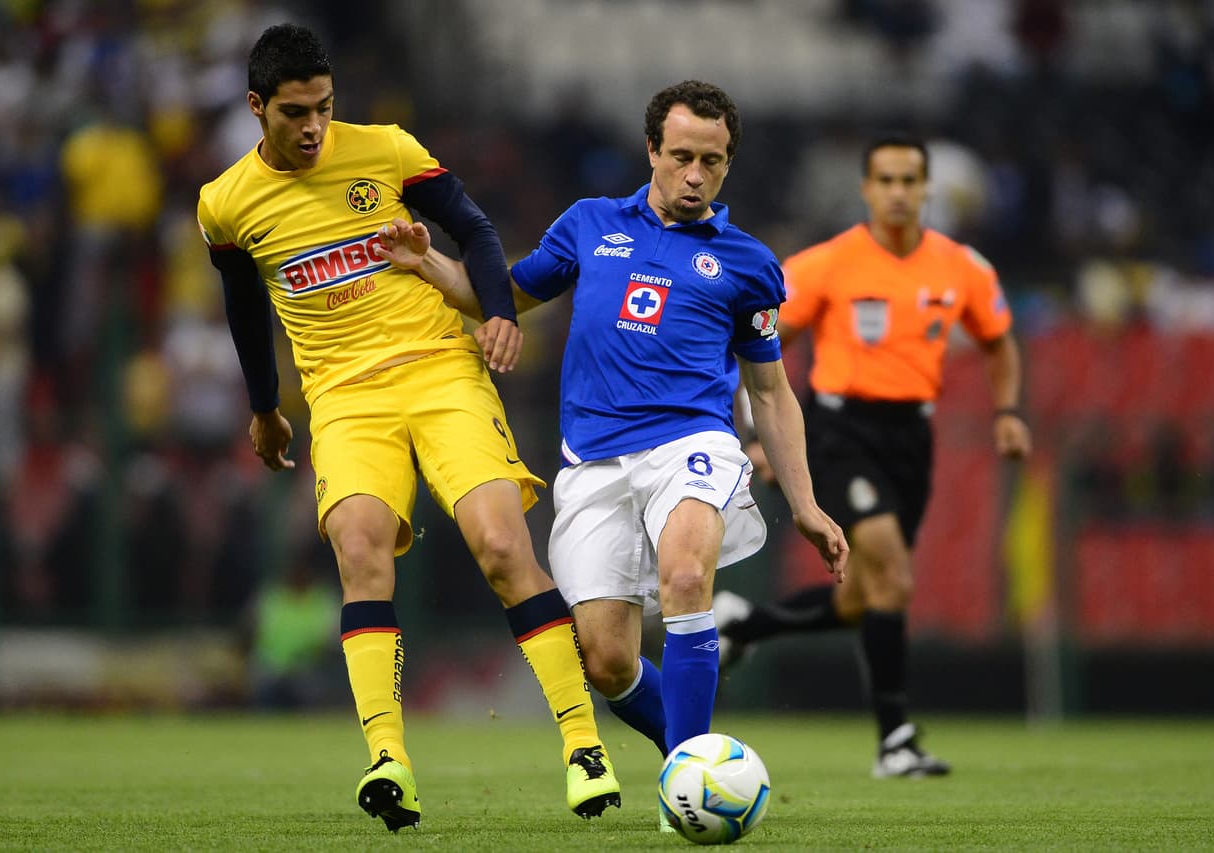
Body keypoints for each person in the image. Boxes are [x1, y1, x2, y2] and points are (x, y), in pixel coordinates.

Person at [196, 23, 620, 833]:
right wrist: (263, 406)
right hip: (344, 398)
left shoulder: (387, 149)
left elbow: (478, 229)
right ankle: (388, 758)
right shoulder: (225, 204)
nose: (315, 126)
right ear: (257, 108)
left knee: (501, 545)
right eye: (295, 112)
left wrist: (497, 311)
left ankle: (581, 745)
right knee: (359, 550)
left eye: (324, 107)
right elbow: (244, 306)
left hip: (437, 369)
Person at [376, 81, 848, 775]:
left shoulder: (747, 263)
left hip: (693, 445)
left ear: (727, 165)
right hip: (593, 465)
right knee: (607, 660)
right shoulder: (589, 224)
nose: (696, 174)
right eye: (682, 155)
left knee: (687, 574)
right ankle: (692, 757)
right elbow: (500, 296)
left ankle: (688, 780)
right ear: (652, 149)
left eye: (712, 162)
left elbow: (771, 392)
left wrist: (805, 504)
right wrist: (429, 264)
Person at [713, 133, 1033, 778]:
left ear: (926, 188)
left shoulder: (961, 267)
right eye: (884, 180)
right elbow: (755, 347)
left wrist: (1007, 412)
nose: (897, 192)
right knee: (893, 573)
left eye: (908, 180)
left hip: (912, 436)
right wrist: (759, 436)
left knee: (866, 595)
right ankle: (896, 741)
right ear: (866, 189)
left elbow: (998, 342)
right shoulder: (827, 264)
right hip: (839, 430)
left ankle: (745, 624)